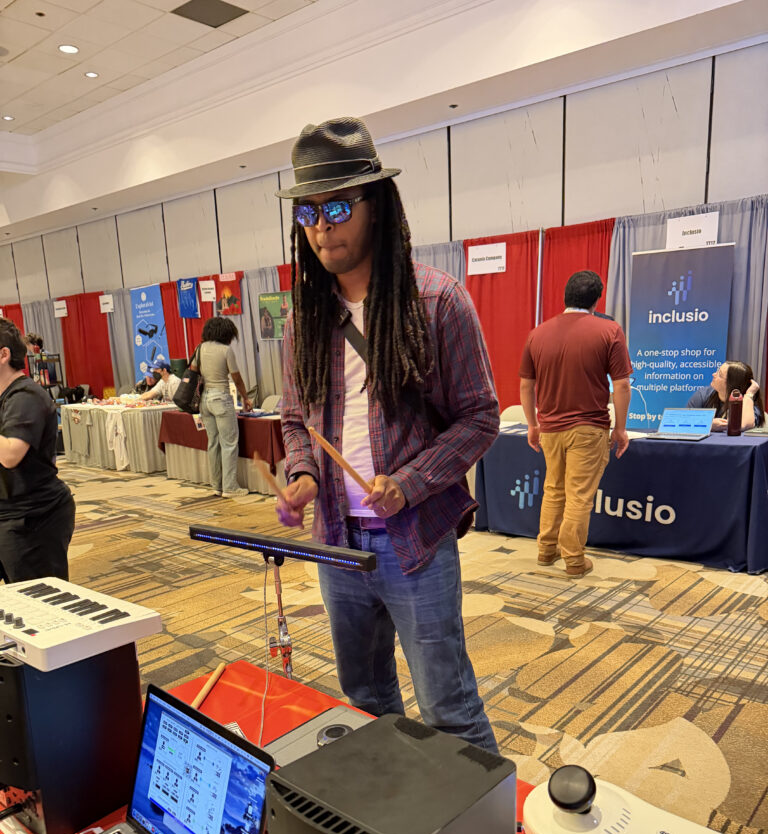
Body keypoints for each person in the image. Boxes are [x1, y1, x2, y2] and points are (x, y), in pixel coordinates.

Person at [274, 116, 499, 752]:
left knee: (447, 707)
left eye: (338, 207)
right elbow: (297, 419)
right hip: (336, 548)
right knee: (365, 702)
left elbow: (481, 417)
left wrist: (408, 482)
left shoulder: (437, 302)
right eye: (308, 213)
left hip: (416, 544)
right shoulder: (305, 318)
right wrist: (303, 475)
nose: (321, 228)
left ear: (376, 205)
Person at [519, 270, 632, 578]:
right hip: (589, 426)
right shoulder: (609, 331)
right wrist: (621, 429)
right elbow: (621, 386)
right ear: (597, 300)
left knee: (554, 489)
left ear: (565, 297)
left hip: (550, 427)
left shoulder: (537, 333)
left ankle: (546, 550)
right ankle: (574, 560)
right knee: (579, 495)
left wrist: (532, 423)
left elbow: (526, 386)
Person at [0, 318, 76, 583]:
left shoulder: (25, 396)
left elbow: (10, 454)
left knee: (40, 607)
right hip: (9, 512)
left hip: (32, 517)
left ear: (3, 355)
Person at [193, 316, 253, 498]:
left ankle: (216, 486)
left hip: (204, 401)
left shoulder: (200, 348)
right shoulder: (226, 351)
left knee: (213, 443)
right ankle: (230, 487)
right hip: (221, 399)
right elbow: (236, 378)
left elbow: (194, 372)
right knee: (229, 444)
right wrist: (245, 397)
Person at [687, 361, 764, 430]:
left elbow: (743, 425)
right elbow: (684, 421)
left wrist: (749, 394)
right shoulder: (704, 394)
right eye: (717, 371)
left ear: (731, 384)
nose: (713, 374)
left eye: (720, 375)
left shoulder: (748, 404)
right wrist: (707, 424)